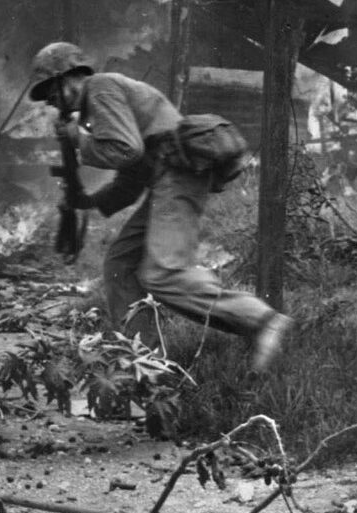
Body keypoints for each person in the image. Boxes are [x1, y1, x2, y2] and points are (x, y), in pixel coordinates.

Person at [28, 42, 291, 370]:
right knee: (119, 264)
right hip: (168, 177)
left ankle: (261, 319)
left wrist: (78, 139)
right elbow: (134, 173)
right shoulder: (102, 99)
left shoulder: (100, 88)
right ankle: (142, 359)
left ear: (68, 79)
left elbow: (127, 151)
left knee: (162, 273)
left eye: (51, 93)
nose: (53, 103)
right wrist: (92, 201)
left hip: (180, 174)